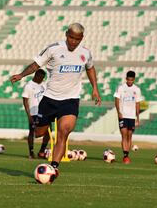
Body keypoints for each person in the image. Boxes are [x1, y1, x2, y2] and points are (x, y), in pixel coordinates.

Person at [10, 23, 101, 178]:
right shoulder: (53, 49)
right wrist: (21, 75)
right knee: (39, 133)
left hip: (70, 100)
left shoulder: (85, 53)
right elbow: (36, 65)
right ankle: (46, 125)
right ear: (66, 34)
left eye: (77, 39)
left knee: (64, 132)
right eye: (71, 37)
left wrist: (95, 88)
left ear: (82, 38)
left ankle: (54, 167)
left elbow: (90, 68)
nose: (73, 42)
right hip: (50, 99)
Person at [114, 70, 143, 164]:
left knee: (129, 135)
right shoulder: (121, 87)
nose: (130, 81)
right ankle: (125, 155)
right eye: (128, 80)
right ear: (126, 79)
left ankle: (127, 154)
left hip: (132, 116)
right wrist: (119, 112)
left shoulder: (137, 89)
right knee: (124, 134)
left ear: (134, 79)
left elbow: (138, 104)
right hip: (123, 115)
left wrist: (138, 118)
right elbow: (117, 100)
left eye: (132, 80)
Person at [22, 68, 50, 159]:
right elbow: (25, 101)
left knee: (48, 132)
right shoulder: (28, 86)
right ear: (36, 76)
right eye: (41, 77)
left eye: (43, 78)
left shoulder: (44, 85)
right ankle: (31, 152)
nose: (42, 79)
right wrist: (28, 115)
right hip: (34, 112)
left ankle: (41, 152)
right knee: (32, 132)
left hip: (45, 112)